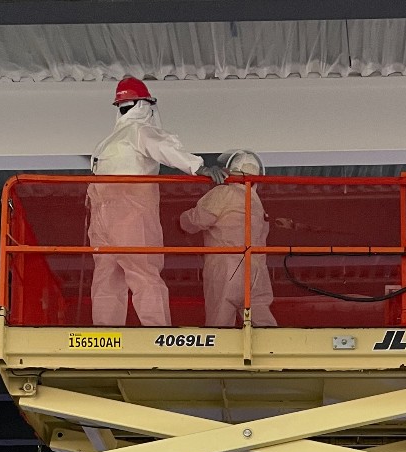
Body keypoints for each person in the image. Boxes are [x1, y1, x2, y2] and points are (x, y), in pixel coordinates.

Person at [88, 75, 225, 327]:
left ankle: (104, 336)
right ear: (144, 104)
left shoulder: (105, 143)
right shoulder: (140, 131)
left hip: (101, 218)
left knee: (107, 276)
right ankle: (157, 332)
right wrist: (199, 167)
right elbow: (165, 148)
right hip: (132, 214)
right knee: (143, 272)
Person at [179, 149, 278, 328]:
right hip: (256, 269)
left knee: (220, 322)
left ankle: (219, 356)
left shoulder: (223, 193)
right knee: (262, 322)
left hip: (226, 268)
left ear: (231, 170)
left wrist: (180, 220)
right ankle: (275, 352)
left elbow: (196, 220)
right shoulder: (256, 201)